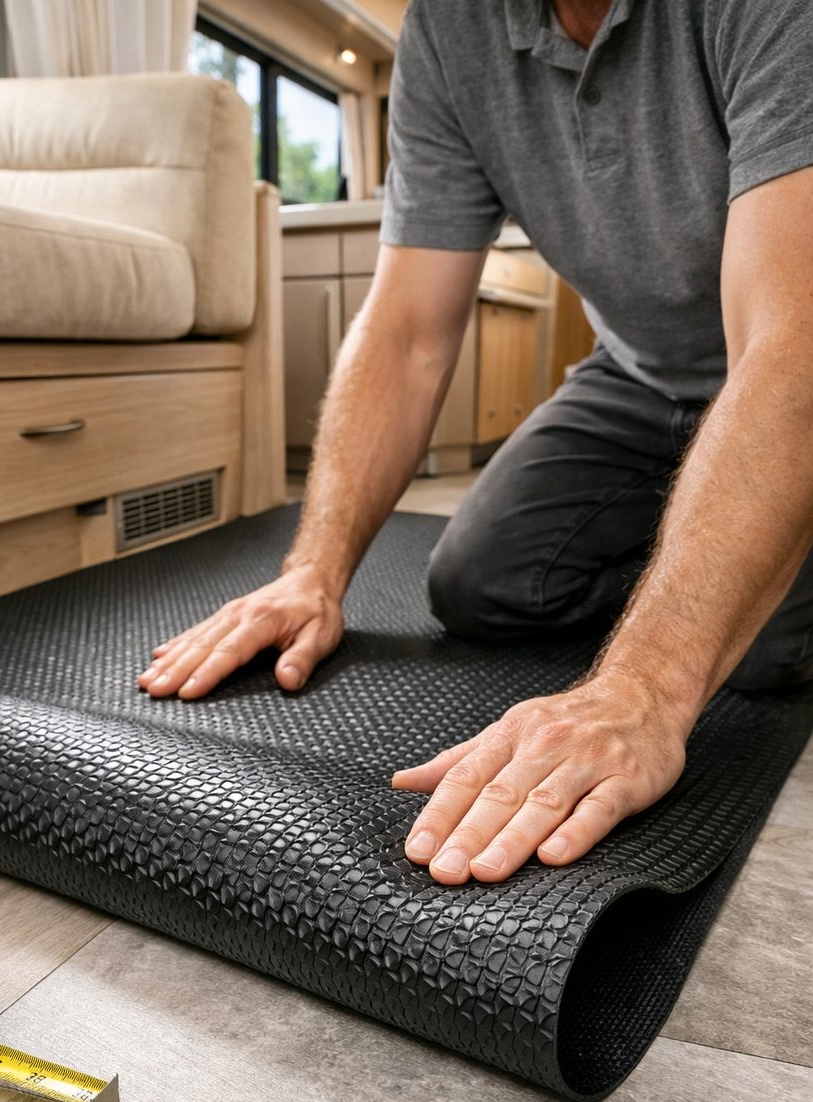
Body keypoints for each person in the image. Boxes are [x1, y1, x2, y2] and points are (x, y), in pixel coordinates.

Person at [140, 0, 813, 886]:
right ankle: (714, 545)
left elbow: (788, 347)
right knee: (480, 583)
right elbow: (407, 333)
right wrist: (315, 571)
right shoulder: (450, 31)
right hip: (639, 377)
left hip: (778, 353)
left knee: (757, 651)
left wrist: (645, 688)